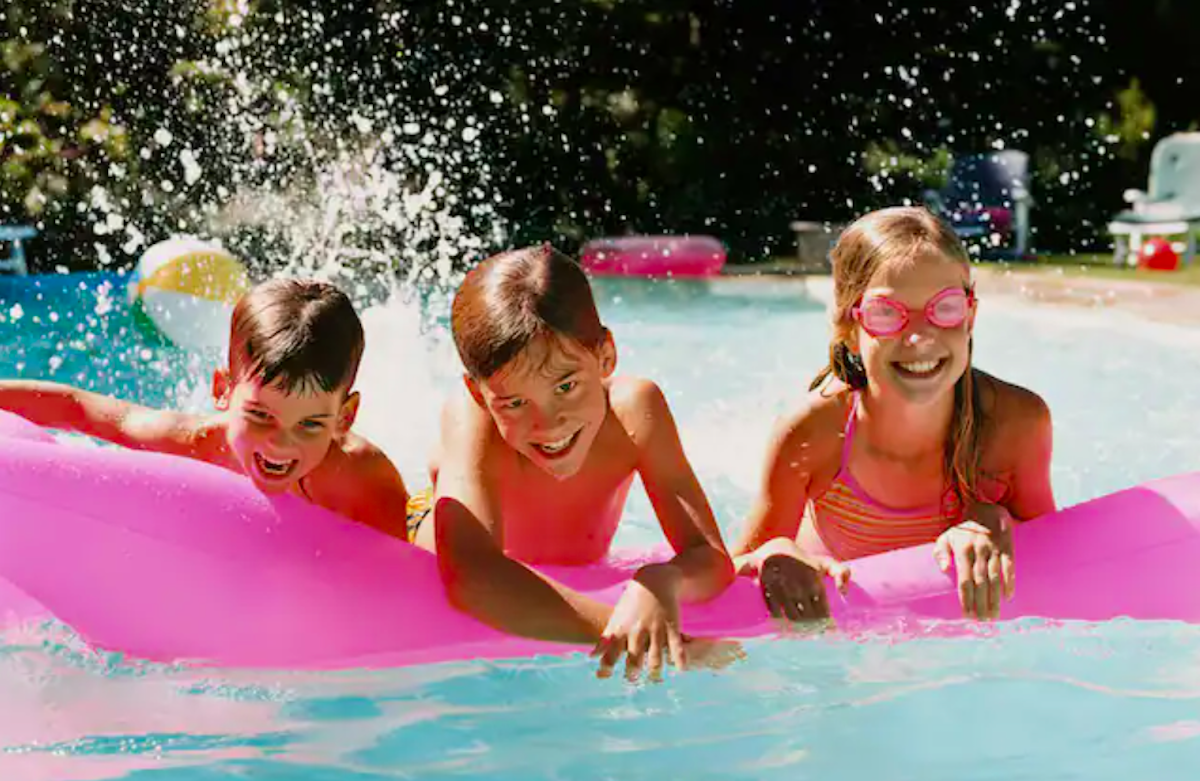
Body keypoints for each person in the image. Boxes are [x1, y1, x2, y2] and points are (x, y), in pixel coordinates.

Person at [411, 244, 737, 681]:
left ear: (605, 356)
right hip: (423, 531)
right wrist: (620, 630)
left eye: (566, 387)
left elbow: (711, 558)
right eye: (514, 403)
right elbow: (473, 578)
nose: (547, 425)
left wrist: (662, 581)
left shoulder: (634, 412)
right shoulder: (470, 418)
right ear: (479, 394)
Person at [731, 206, 1056, 621]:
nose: (920, 337)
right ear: (849, 328)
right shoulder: (812, 435)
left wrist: (994, 517)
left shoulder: (1016, 425)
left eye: (946, 308)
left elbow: (1057, 556)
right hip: (841, 631)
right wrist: (775, 551)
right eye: (887, 313)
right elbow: (738, 570)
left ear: (971, 315)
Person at [0, 278, 411, 536]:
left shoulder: (363, 482)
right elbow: (78, 408)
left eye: (309, 425)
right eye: (260, 415)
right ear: (222, 390)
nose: (280, 443)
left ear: (345, 417)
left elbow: (397, 587)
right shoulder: (197, 443)